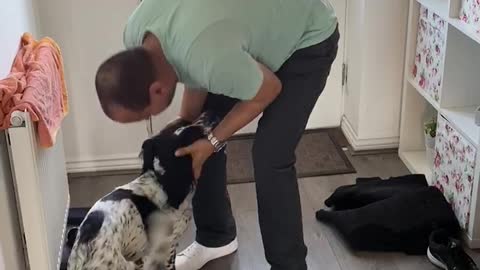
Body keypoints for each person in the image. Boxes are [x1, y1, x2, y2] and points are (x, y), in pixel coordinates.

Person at [94, 0, 339, 269]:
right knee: (194, 135)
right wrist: (189, 124)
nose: (149, 121)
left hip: (306, 37)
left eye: (145, 115)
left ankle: (288, 265)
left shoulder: (208, 55)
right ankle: (216, 238)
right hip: (246, 32)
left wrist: (211, 141)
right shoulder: (137, 34)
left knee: (271, 156)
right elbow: (191, 65)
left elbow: (267, 90)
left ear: (156, 90)